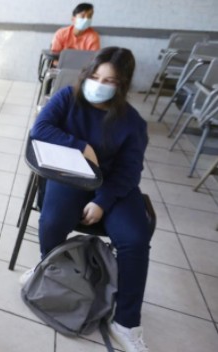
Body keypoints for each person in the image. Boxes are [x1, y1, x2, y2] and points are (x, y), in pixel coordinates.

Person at [27, 47, 151, 352]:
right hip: (73, 175)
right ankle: (48, 270)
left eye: (108, 81)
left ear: (121, 85)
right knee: (53, 220)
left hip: (114, 186)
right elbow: (39, 129)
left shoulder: (132, 123)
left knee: (135, 238)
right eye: (94, 76)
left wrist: (102, 202)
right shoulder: (67, 98)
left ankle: (126, 323)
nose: (98, 84)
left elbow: (129, 172)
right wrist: (81, 146)